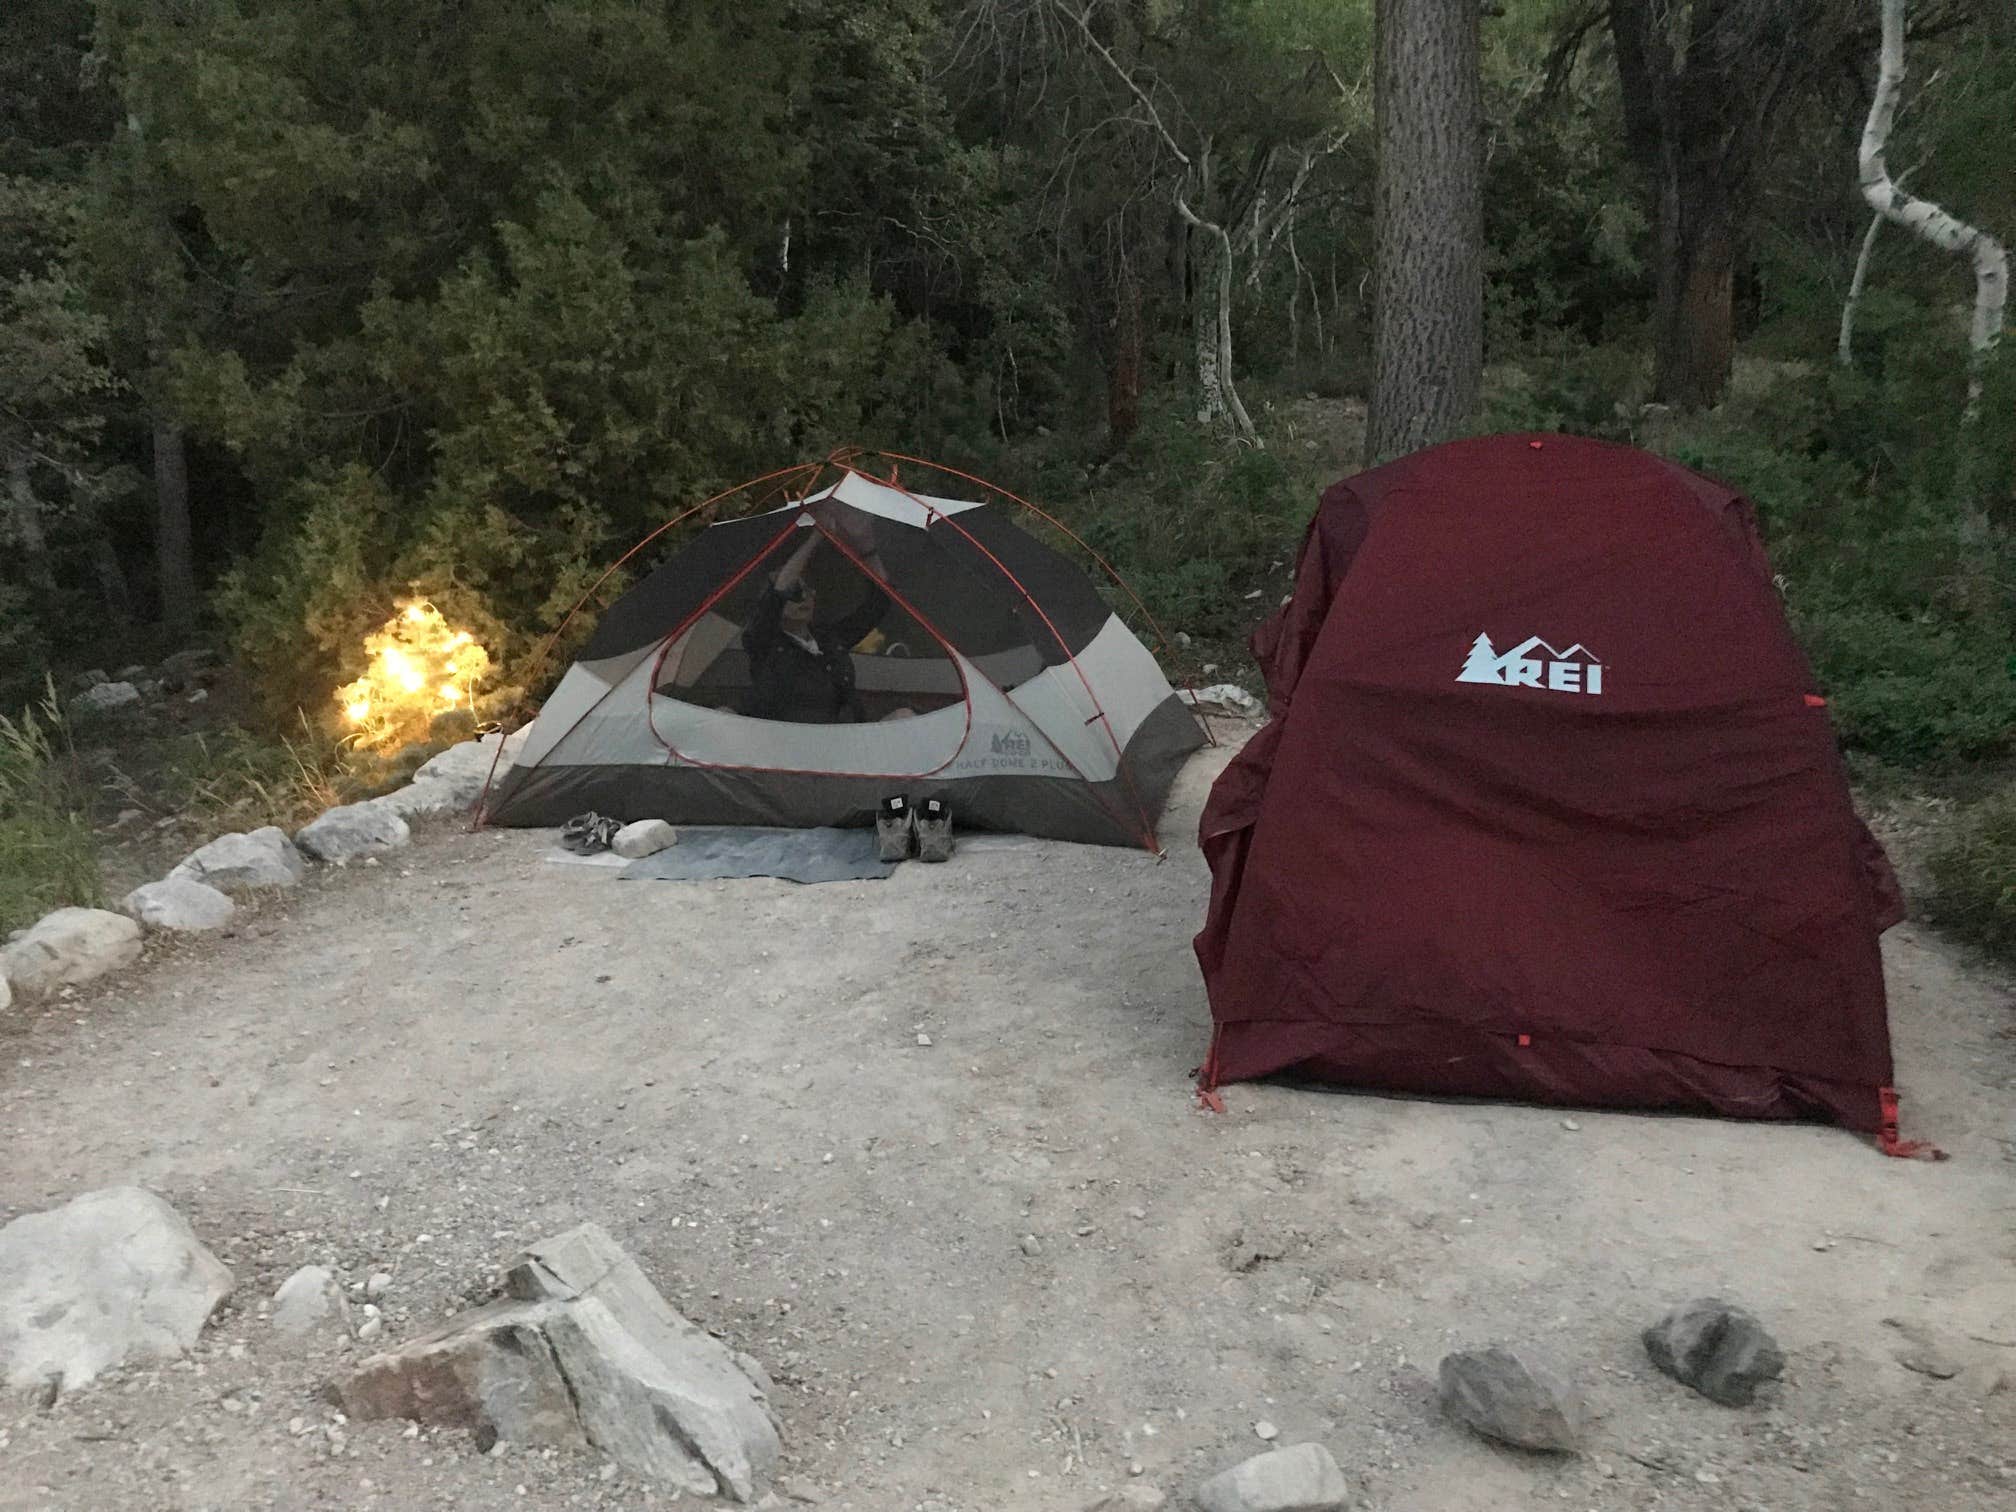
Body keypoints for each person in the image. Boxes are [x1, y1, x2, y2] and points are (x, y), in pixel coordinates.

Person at [741, 505, 892, 723]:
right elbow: (779, 591)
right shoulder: (763, 641)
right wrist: (816, 536)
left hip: (847, 739)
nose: (805, 597)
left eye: (807, 590)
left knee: (905, 715)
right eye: (796, 592)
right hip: (791, 742)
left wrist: (867, 547)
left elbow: (880, 601)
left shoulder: (829, 638)